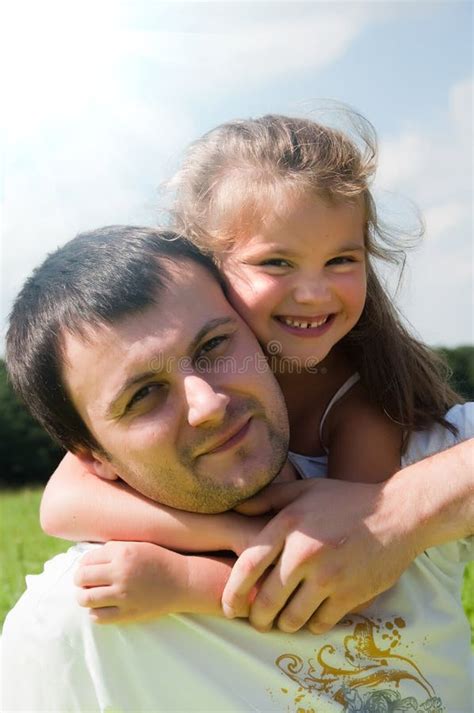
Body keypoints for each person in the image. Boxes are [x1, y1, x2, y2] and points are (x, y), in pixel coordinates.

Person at [2, 226, 473, 712]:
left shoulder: (408, 461)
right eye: (144, 395)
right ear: (92, 456)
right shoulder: (78, 622)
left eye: (213, 346)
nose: (206, 404)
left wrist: (394, 514)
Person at [41, 113, 464, 632]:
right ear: (206, 268)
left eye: (341, 260)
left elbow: (342, 576)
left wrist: (183, 581)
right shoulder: (194, 382)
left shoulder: (361, 406)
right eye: (277, 264)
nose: (314, 293)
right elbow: (62, 504)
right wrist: (229, 534)